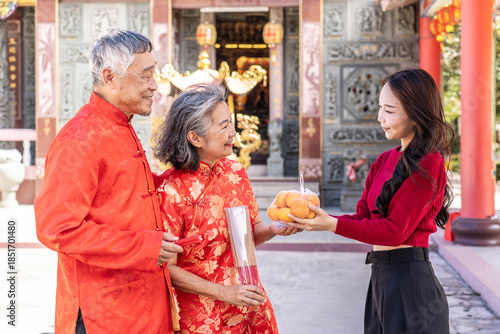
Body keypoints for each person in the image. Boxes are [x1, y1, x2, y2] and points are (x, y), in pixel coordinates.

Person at [34, 28, 183, 334]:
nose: (154, 86)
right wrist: (143, 247)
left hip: (139, 304)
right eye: (146, 75)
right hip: (102, 314)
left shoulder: (118, 126)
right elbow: (57, 228)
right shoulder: (82, 137)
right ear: (111, 77)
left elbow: (128, 193)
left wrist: (189, 177)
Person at [287, 68, 453, 334]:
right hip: (379, 278)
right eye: (379, 108)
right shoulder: (384, 161)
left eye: (389, 110)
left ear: (415, 113)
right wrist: (315, 218)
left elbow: (395, 230)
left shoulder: (429, 163)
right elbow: (364, 218)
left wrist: (330, 225)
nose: (380, 118)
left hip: (411, 283)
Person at [153, 83, 299, 333]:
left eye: (231, 122)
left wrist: (275, 228)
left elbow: (249, 236)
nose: (233, 132)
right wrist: (224, 292)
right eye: (223, 126)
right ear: (195, 137)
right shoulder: (170, 190)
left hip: (248, 304)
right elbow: (168, 268)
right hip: (201, 318)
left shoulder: (236, 173)